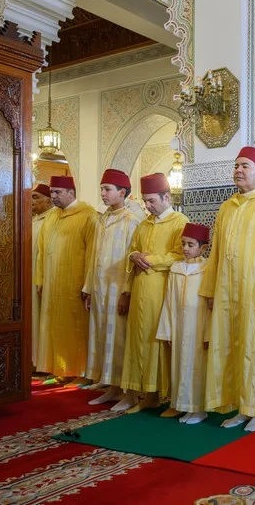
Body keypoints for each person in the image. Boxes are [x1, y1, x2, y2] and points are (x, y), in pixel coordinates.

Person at [200, 146, 255, 432]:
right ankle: (241, 406)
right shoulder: (227, 207)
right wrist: (211, 290)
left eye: (245, 166)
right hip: (227, 291)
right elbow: (215, 252)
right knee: (232, 348)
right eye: (236, 166)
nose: (238, 170)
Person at [119, 173, 188, 413]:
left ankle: (157, 393)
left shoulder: (179, 222)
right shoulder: (144, 224)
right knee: (137, 339)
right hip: (139, 288)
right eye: (145, 201)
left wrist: (151, 260)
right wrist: (134, 256)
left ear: (166, 197)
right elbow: (133, 250)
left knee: (155, 340)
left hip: (161, 290)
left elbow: (180, 254)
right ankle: (140, 392)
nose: (148, 206)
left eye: (152, 201)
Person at [82, 169, 142, 405]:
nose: (103, 194)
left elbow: (132, 260)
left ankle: (127, 391)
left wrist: (127, 292)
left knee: (119, 338)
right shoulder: (101, 220)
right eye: (102, 189)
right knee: (102, 335)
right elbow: (93, 255)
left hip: (118, 290)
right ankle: (111, 386)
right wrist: (89, 288)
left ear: (122, 192)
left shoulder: (131, 220)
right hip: (100, 288)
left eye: (107, 189)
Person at [35, 176, 98, 383]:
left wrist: (89, 285)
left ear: (71, 193)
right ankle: (59, 369)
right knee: (55, 329)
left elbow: (93, 254)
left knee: (75, 330)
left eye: (58, 192)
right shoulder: (52, 216)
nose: (53, 196)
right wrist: (40, 279)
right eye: (52, 192)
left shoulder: (88, 216)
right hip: (52, 285)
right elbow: (42, 251)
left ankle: (79, 372)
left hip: (75, 285)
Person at [156, 223, 211, 425]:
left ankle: (198, 409)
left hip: (198, 327)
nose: (185, 248)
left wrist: (209, 333)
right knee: (180, 365)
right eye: (183, 244)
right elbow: (169, 301)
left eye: (191, 244)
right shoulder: (176, 269)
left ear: (203, 248)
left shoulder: (208, 269)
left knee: (197, 368)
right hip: (179, 326)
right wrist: (168, 331)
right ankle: (184, 406)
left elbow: (211, 306)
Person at [31, 183, 53, 370]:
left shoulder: (51, 220)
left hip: (43, 279)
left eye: (36, 197)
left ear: (49, 200)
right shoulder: (33, 220)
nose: (31, 201)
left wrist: (42, 279)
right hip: (29, 279)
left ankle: (41, 362)